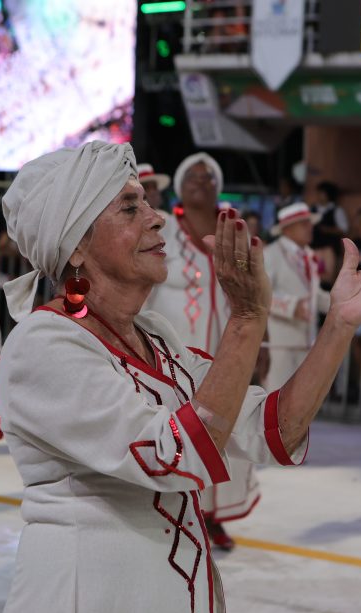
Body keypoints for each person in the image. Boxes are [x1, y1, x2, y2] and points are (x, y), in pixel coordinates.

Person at [0, 140, 361, 613]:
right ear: (75, 247)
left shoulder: (156, 337)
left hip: (167, 609)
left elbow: (274, 429)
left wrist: (339, 324)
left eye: (147, 203)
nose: (156, 219)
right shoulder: (43, 346)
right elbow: (178, 456)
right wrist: (247, 318)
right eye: (130, 207)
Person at [142, 151, 252, 549]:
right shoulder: (163, 228)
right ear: (180, 186)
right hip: (173, 354)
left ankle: (213, 514)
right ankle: (179, 512)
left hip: (225, 352)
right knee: (181, 431)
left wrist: (261, 342)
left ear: (219, 185)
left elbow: (252, 290)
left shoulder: (233, 233)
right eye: (192, 175)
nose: (200, 182)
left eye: (208, 177)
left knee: (224, 430)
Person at [262, 202, 330, 389]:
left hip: (307, 340)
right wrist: (291, 306)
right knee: (276, 398)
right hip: (279, 341)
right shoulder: (271, 254)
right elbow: (261, 294)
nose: (310, 228)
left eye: (309, 223)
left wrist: (342, 304)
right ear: (288, 228)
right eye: (304, 224)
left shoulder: (308, 256)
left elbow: (315, 294)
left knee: (301, 399)